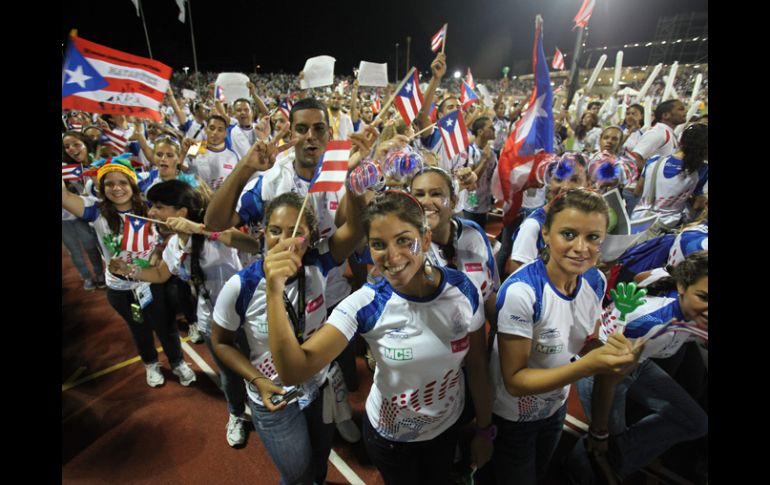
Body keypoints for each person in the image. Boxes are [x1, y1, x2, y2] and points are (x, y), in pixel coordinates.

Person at [264, 190, 494, 485]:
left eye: (403, 240)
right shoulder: (365, 304)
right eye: (378, 244)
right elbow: (294, 369)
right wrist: (273, 291)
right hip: (392, 440)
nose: (393, 256)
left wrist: (486, 431)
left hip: (446, 428)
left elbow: (476, 364)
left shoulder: (463, 289)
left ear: (425, 239)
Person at [210, 189, 367, 484]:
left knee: (320, 464)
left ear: (310, 238)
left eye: (295, 232)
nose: (283, 241)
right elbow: (220, 342)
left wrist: (356, 186)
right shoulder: (240, 286)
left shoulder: (319, 263)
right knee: (297, 475)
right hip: (275, 396)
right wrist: (257, 380)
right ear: (262, 232)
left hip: (319, 385)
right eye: (274, 231)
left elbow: (357, 227)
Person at [486, 188, 639, 485]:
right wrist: (590, 365)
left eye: (593, 238)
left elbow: (583, 342)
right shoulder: (523, 292)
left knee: (541, 470)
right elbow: (515, 382)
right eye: (568, 234)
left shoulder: (595, 280)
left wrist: (611, 352)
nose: (581, 247)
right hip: (513, 415)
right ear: (545, 234)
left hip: (555, 404)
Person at [109, 179, 260, 447]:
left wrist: (200, 230)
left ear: (181, 212)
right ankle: (237, 414)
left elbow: (251, 245)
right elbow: (158, 274)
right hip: (211, 321)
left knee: (259, 366)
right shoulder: (173, 246)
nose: (152, 212)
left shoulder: (215, 231)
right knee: (229, 373)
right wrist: (127, 270)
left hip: (249, 316)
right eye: (151, 206)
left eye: (159, 206)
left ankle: (263, 408)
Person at [61, 158, 197, 388]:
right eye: (110, 184)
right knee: (139, 327)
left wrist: (158, 253)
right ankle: (151, 364)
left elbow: (167, 236)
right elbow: (64, 197)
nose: (117, 188)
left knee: (166, 326)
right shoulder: (95, 210)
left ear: (133, 185)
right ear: (101, 188)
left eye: (123, 182)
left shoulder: (149, 209)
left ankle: (177, 362)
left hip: (152, 283)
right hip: (120, 288)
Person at [573, 251, 708, 482]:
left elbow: (642, 278)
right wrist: (599, 431)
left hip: (636, 362)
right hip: (601, 370)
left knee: (695, 422)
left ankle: (608, 461)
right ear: (682, 287)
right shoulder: (651, 324)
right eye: (704, 297)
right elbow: (607, 378)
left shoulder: (689, 309)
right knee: (606, 441)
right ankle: (585, 466)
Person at [504, 152, 588, 278]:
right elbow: (518, 281)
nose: (565, 187)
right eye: (558, 179)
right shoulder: (533, 227)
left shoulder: (583, 222)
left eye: (574, 180)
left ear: (587, 184)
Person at [631, 123, 708, 231]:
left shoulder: (654, 160)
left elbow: (637, 192)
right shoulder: (702, 170)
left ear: (681, 141)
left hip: (638, 220)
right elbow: (698, 206)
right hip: (667, 227)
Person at [62, 131, 105, 290]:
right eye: (67, 147)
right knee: (76, 250)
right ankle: (87, 277)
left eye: (76, 144)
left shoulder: (101, 161)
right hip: (78, 215)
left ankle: (101, 274)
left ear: (86, 144)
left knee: (92, 247)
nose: (72, 149)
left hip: (104, 215)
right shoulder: (66, 169)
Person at [186, 115, 240, 191]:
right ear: (205, 130)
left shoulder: (232, 156)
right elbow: (184, 172)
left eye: (220, 130)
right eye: (212, 128)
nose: (215, 133)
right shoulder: (196, 147)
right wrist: (183, 152)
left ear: (225, 133)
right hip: (197, 198)